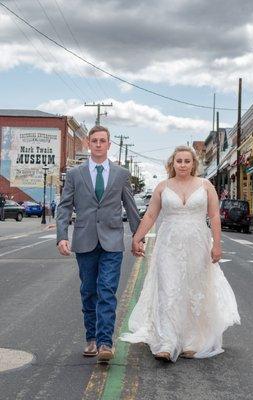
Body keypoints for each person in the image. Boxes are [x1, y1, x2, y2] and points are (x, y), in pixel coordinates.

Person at [121, 146, 240, 362]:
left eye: (187, 161)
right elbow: (150, 216)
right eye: (179, 161)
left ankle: (192, 341)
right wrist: (137, 237)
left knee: (194, 289)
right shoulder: (162, 187)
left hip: (198, 244)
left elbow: (214, 216)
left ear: (194, 164)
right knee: (168, 289)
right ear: (172, 164)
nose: (183, 165)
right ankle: (167, 342)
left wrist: (217, 245)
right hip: (168, 244)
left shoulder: (206, 186)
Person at [56, 125, 142, 363]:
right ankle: (91, 339)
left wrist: (138, 236)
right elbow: (64, 206)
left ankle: (105, 342)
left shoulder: (121, 174)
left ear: (109, 144)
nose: (98, 144)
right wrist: (62, 235)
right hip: (84, 240)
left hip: (112, 241)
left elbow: (131, 206)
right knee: (89, 291)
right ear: (88, 143)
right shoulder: (75, 174)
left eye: (102, 140)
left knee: (107, 290)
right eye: (94, 140)